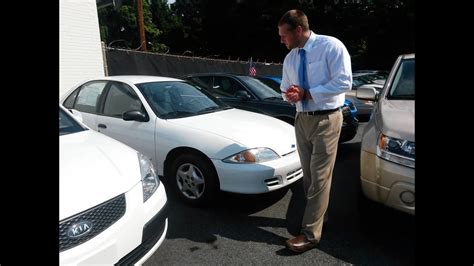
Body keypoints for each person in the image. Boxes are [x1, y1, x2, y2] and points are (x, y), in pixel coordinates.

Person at [277, 9, 352, 253]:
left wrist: (308, 93)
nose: (281, 40)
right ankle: (321, 216)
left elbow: (344, 82)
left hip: (327, 120)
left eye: (284, 35)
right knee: (308, 178)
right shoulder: (290, 59)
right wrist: (289, 95)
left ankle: (310, 234)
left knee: (319, 177)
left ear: (298, 30)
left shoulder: (331, 46)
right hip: (302, 120)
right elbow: (284, 88)